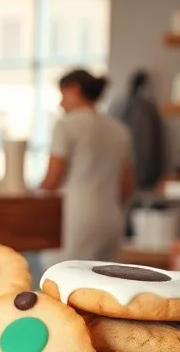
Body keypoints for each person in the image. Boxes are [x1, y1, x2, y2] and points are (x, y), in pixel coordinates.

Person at [40, 68, 135, 262]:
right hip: (112, 219)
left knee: (62, 281)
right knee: (105, 283)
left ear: (74, 89)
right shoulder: (119, 130)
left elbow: (54, 177)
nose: (60, 103)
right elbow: (127, 184)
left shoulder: (66, 125)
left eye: (62, 95)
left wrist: (36, 194)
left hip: (75, 218)